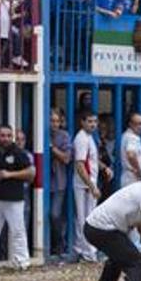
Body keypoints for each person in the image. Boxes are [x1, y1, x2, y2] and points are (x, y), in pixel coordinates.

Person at [0, 125, 35, 269]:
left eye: (8, 135)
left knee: (18, 230)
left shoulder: (18, 152)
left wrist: (10, 175)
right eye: (3, 135)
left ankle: (22, 260)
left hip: (14, 199)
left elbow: (31, 173)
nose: (6, 138)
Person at [73, 111, 112, 262]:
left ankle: (83, 249)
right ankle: (87, 252)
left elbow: (92, 160)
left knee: (85, 218)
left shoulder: (88, 137)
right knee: (85, 219)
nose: (93, 124)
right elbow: (80, 164)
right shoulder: (82, 138)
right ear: (82, 122)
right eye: (89, 121)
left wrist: (104, 168)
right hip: (84, 185)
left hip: (87, 183)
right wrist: (92, 186)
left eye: (95, 121)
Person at [49, 109, 71, 255]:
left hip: (58, 182)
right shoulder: (39, 132)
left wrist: (52, 148)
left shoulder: (64, 136)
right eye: (52, 121)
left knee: (54, 214)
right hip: (43, 182)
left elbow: (66, 158)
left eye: (57, 121)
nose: (54, 124)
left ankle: (59, 244)